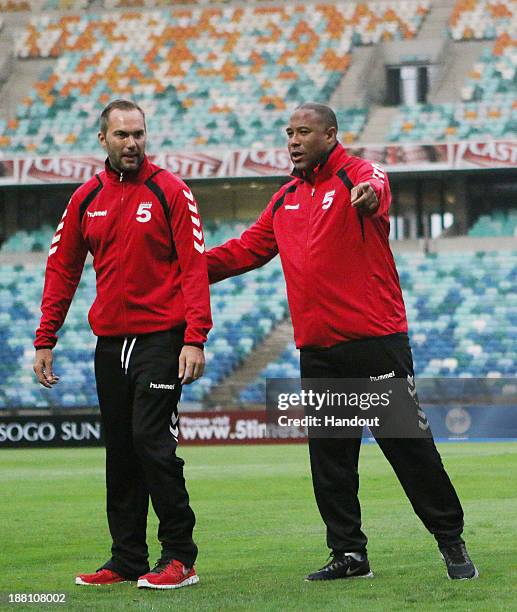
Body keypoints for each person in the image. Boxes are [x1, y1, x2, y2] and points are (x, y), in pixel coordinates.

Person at [206, 102, 478, 581]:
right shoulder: (285, 197)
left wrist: (369, 196)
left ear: (330, 135)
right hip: (318, 349)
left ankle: (450, 541)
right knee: (331, 458)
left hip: (374, 342)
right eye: (289, 132)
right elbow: (245, 251)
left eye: (304, 131)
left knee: (407, 447)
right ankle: (349, 555)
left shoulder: (357, 175)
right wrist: (183, 269)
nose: (293, 140)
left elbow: (377, 186)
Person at [33, 99, 212, 590]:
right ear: (103, 139)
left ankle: (179, 557)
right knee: (120, 452)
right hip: (110, 343)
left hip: (161, 339)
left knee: (152, 443)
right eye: (122, 135)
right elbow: (62, 268)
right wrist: (45, 337)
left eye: (138, 134)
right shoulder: (84, 199)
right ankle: (127, 557)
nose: (132, 143)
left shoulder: (171, 191)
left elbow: (194, 267)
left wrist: (195, 337)